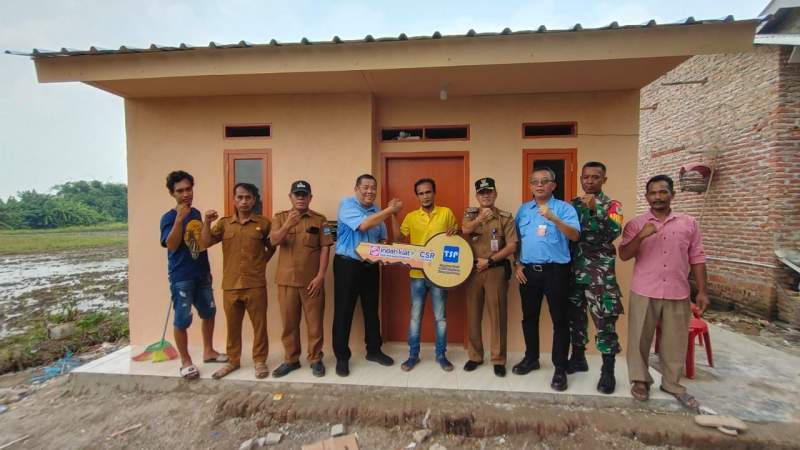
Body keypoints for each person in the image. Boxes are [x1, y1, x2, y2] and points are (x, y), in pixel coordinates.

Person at [620, 174, 709, 410]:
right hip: (644, 290)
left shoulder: (688, 223)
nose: (658, 197)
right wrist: (642, 235)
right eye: (653, 193)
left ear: (672, 194)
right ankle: (640, 380)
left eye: (662, 192)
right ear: (647, 196)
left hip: (677, 291)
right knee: (639, 338)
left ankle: (672, 384)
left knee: (675, 341)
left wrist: (702, 291)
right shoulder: (636, 224)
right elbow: (624, 254)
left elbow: (697, 258)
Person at [514, 167, 580, 391]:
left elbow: (574, 235)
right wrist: (518, 264)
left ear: (554, 185)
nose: (539, 185)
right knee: (529, 318)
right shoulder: (523, 210)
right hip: (528, 272)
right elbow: (516, 241)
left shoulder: (564, 208)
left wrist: (553, 218)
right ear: (530, 185)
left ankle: (560, 367)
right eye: (535, 182)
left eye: (544, 181)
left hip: (556, 272)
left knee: (560, 321)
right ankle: (531, 358)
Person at [201, 183, 274, 380]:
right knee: (233, 326)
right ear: (234, 200)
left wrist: (262, 262)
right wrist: (206, 222)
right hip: (231, 285)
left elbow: (272, 245)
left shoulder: (263, 224)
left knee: (260, 325)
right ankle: (233, 360)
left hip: (255, 284)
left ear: (254, 200)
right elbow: (206, 242)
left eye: (248, 197)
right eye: (240, 197)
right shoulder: (224, 224)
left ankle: (260, 361)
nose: (244, 201)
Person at [332, 174, 402, 376]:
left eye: (373, 188)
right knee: (344, 311)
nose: (370, 191)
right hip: (347, 265)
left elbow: (381, 238)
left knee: (371, 310)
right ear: (356, 188)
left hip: (370, 267)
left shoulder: (377, 211)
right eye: (366, 187)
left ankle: (374, 350)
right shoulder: (347, 205)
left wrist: (382, 251)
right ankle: (342, 358)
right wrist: (391, 210)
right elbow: (363, 225)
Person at [159, 170, 226, 380]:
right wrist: (179, 220)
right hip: (182, 277)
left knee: (209, 312)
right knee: (182, 320)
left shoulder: (196, 213)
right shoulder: (168, 218)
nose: (186, 194)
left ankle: (209, 351)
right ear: (172, 193)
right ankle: (186, 361)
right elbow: (171, 244)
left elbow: (203, 243)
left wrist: (206, 222)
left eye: (188, 189)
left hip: (201, 273)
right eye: (180, 191)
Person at [566, 162, 625, 394]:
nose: (589, 181)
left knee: (605, 323)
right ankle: (578, 358)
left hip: (600, 276)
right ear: (580, 178)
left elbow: (613, 232)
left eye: (595, 177)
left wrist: (593, 211)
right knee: (575, 319)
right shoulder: (572, 205)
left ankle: (607, 371)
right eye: (586, 177)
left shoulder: (613, 206)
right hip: (573, 272)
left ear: (604, 180)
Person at [390, 178, 459, 372]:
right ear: (417, 196)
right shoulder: (411, 217)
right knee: (415, 317)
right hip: (417, 274)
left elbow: (457, 238)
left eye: (428, 192)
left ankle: (441, 355)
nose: (425, 196)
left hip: (439, 274)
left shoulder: (446, 213)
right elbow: (397, 239)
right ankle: (413, 355)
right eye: (421, 193)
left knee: (440, 317)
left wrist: (456, 231)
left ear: (434, 193)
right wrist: (394, 215)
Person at [269, 181, 333, 378]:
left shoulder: (320, 220)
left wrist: (321, 276)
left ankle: (315, 358)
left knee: (315, 323)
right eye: (297, 194)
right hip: (286, 281)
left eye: (304, 194)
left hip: (312, 282)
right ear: (290, 197)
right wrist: (289, 224)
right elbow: (273, 241)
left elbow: (325, 247)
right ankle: (291, 359)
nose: (301, 197)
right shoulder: (279, 218)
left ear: (310, 198)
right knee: (289, 324)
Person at [461, 177, 518, 377]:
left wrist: (491, 261)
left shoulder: (505, 217)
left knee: (498, 315)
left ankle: (498, 359)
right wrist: (479, 219)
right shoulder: (470, 213)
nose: (486, 195)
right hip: (473, 270)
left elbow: (512, 245)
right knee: (473, 314)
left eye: (489, 192)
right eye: (482, 193)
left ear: (495, 194)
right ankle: (475, 356)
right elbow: (465, 230)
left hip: (495, 269)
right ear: (477, 196)